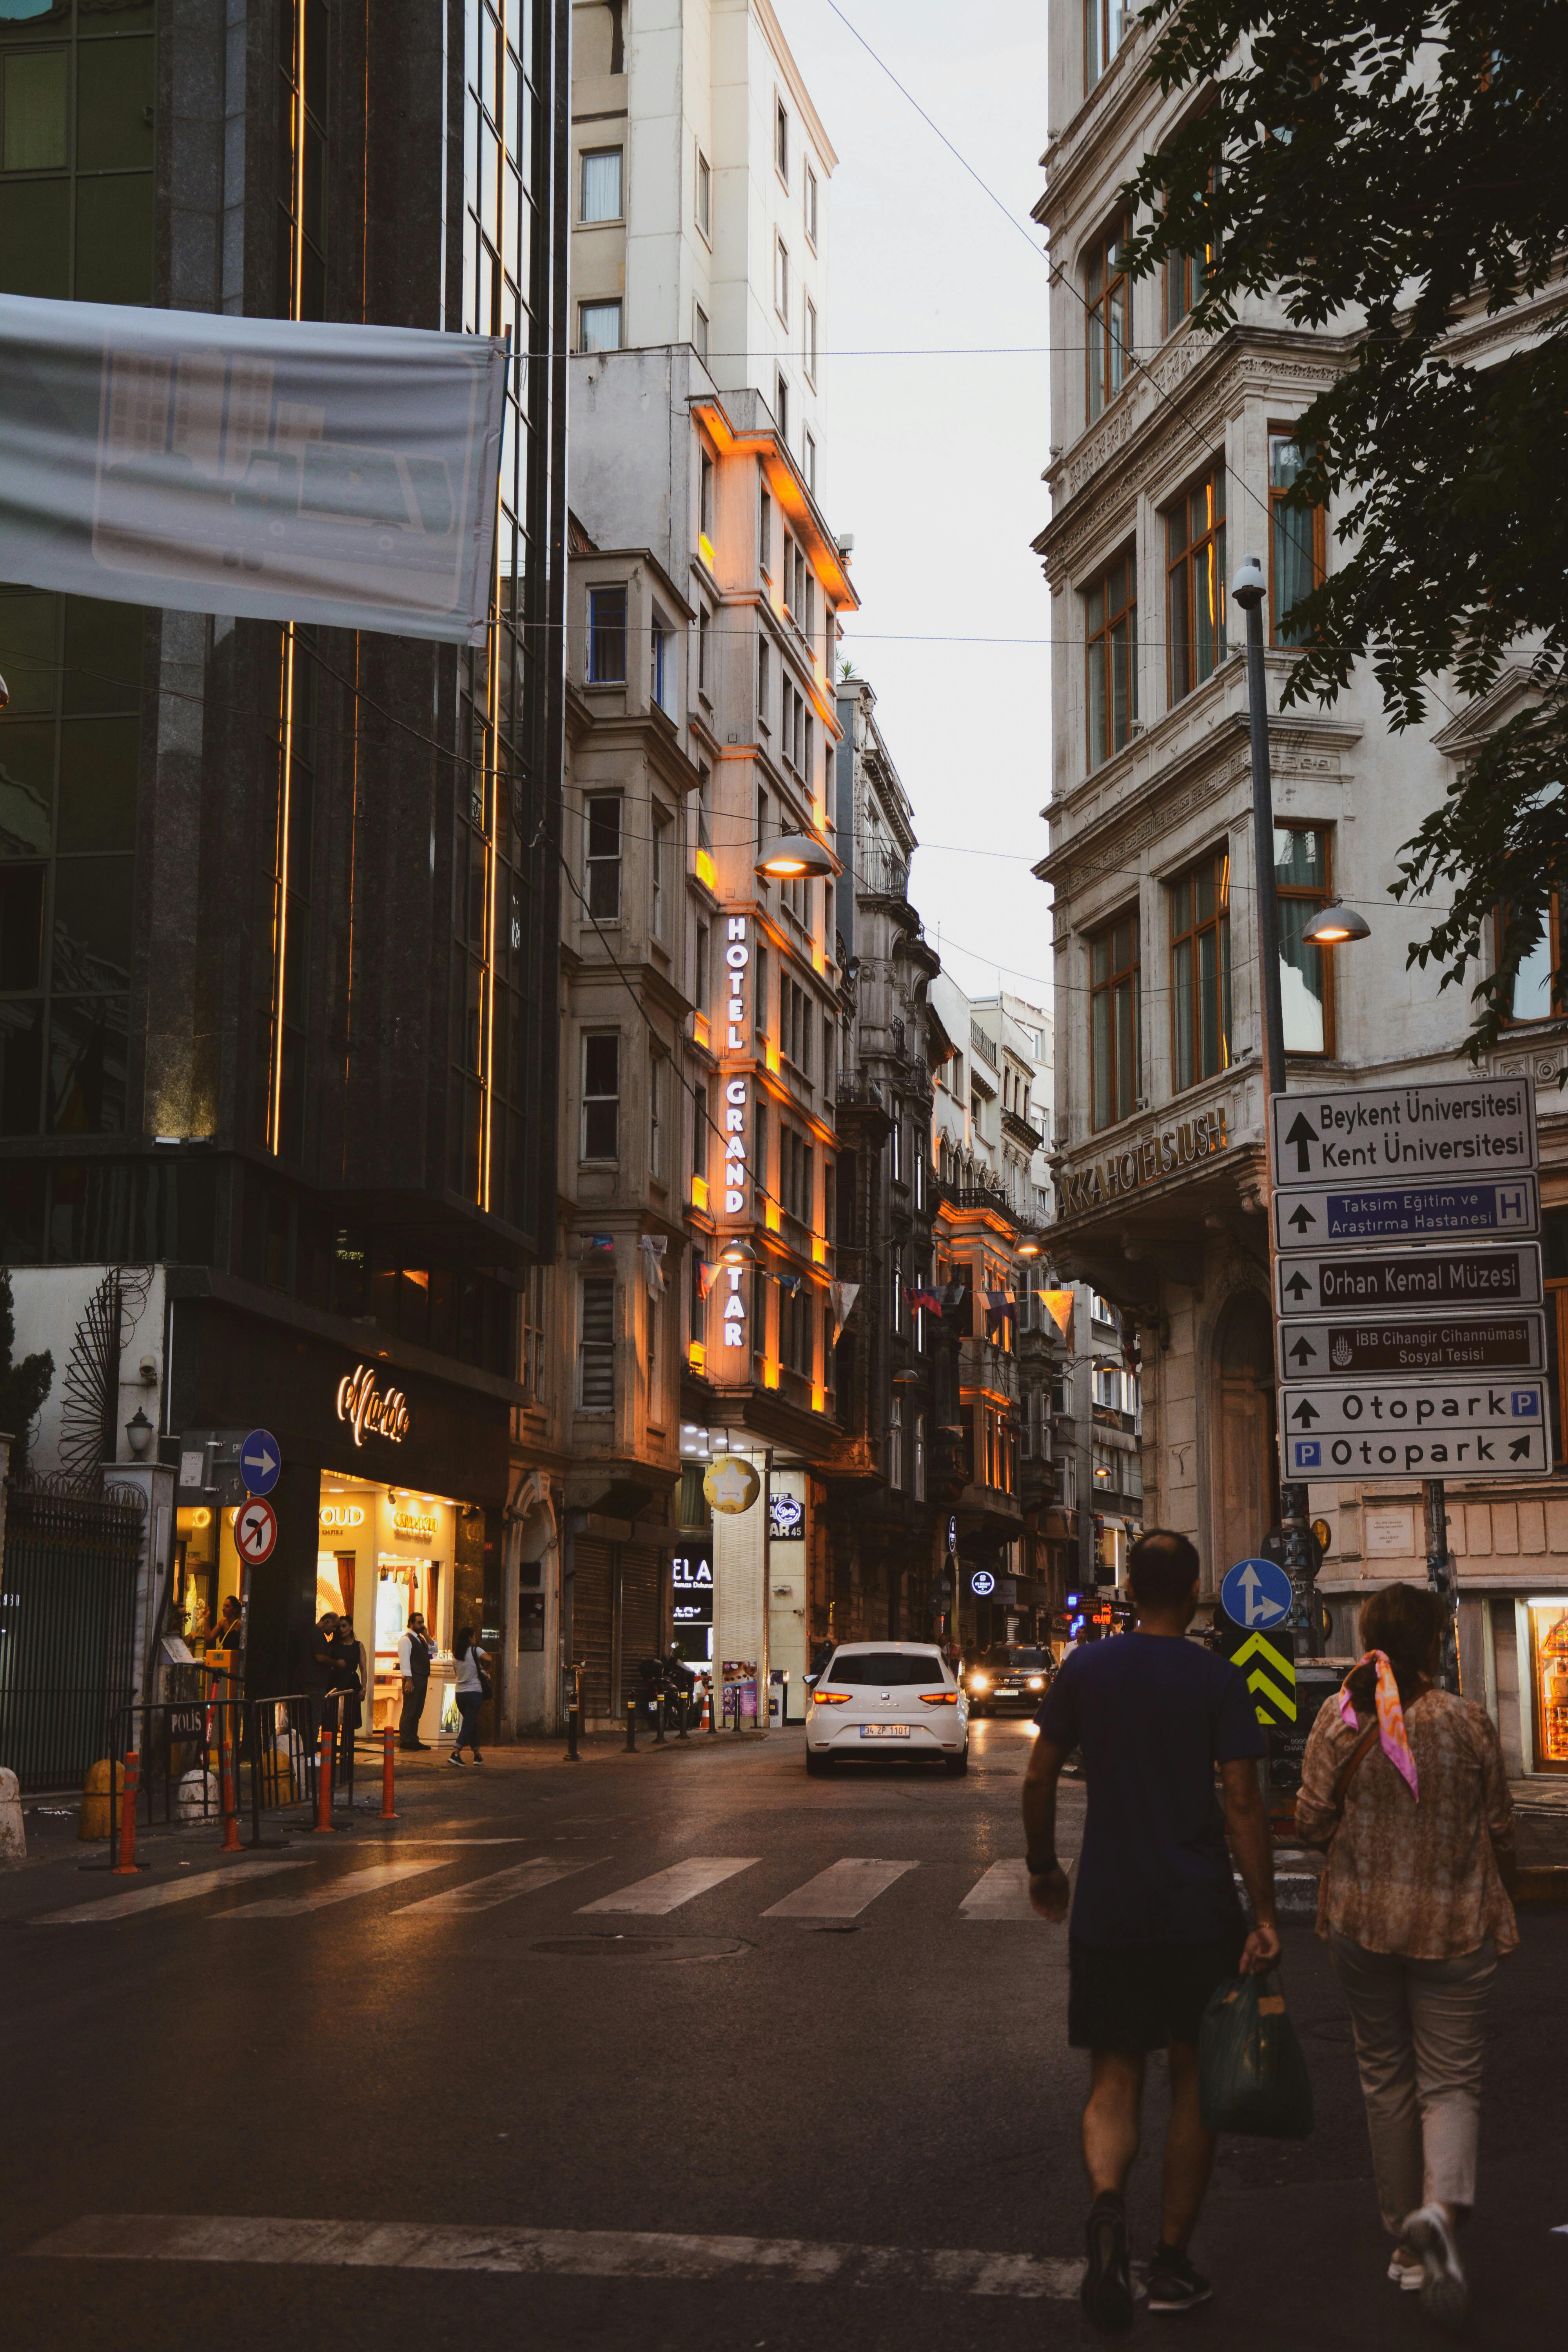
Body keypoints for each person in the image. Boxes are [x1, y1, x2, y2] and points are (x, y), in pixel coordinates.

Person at [1022, 1528, 1279, 2334]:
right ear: (1196, 1592)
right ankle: (1169, 2264)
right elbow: (1241, 1803)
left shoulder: (1086, 1669)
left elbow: (1036, 1777)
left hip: (1109, 1905)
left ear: (1130, 1590)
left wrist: (1043, 1868)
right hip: (1196, 1909)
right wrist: (1263, 1913)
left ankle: (1106, 2209)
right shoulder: (1215, 1678)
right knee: (1194, 2084)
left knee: (1113, 2077)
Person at [1294, 1583, 1517, 2330]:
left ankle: (1406, 2244)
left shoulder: (1340, 1718)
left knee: (1384, 2074)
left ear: (1370, 1640)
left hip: (1363, 1923)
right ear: (1436, 1645)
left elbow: (1310, 1819)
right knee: (1451, 2084)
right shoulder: (1469, 1722)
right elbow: (1500, 1824)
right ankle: (1439, 2217)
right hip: (1455, 1922)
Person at [450, 1626, 488, 1764]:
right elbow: (489, 1659)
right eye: (474, 1636)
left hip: (460, 1694)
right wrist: (484, 1669)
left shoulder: (456, 1656)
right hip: (474, 1692)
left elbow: (456, 1674)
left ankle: (477, 1755)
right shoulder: (476, 1650)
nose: (476, 1639)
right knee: (468, 1724)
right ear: (470, 1638)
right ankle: (456, 1753)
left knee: (470, 1723)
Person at [397, 1611, 433, 1750]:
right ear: (411, 1624)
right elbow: (405, 1661)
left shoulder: (421, 1639)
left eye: (423, 1622)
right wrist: (409, 1680)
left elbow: (434, 1648)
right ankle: (406, 1740)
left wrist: (426, 1635)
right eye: (419, 1623)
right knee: (410, 1710)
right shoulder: (406, 1640)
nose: (422, 1625)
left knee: (418, 1711)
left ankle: (414, 1738)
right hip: (414, 1678)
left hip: (422, 1677)